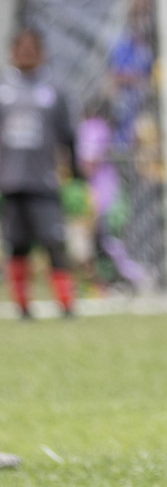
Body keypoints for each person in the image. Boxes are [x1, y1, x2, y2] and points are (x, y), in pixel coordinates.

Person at [1, 29, 79, 318]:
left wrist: (74, 173)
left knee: (53, 242)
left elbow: (68, 137)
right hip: (10, 182)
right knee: (16, 245)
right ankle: (21, 307)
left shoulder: (54, 91)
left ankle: (67, 305)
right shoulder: (3, 89)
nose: (26, 54)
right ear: (12, 53)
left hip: (44, 180)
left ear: (42, 53)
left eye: (32, 49)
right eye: (21, 49)